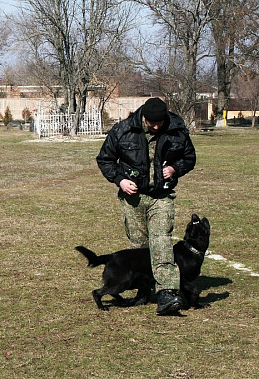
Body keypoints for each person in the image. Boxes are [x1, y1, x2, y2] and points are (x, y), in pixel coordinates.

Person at [96, 97, 196, 315]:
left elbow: (189, 157)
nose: (157, 127)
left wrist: (175, 168)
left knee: (161, 241)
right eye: (152, 123)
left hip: (161, 196)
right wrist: (120, 181)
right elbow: (105, 159)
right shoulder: (123, 130)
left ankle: (167, 293)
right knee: (140, 246)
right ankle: (143, 290)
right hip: (134, 199)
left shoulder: (176, 129)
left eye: (160, 122)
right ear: (144, 117)